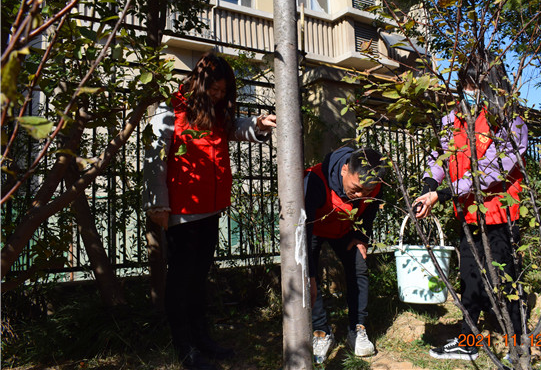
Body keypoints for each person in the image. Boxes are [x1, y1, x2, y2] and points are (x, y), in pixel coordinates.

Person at [143, 52, 276, 370]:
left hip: (211, 208)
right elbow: (153, 158)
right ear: (200, 85)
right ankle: (184, 346)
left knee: (199, 278)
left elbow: (236, 127)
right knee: (181, 280)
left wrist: (257, 124)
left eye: (222, 92)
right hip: (182, 211)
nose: (218, 96)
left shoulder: (216, 113)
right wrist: (158, 203)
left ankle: (202, 339)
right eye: (214, 90)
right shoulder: (169, 110)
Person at [413, 58, 528, 361]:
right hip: (469, 214)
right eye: (465, 84)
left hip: (500, 213)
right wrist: (428, 185)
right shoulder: (454, 119)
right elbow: (440, 155)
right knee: (470, 279)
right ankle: (468, 341)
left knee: (505, 280)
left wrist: (444, 192)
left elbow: (492, 171)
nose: (467, 91)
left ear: (492, 86)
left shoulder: (509, 121)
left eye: (474, 85)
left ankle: (520, 344)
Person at [304, 146, 387, 363]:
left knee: (359, 267)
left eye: (367, 191)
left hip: (345, 230)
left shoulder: (373, 186)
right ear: (344, 170)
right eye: (357, 188)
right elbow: (302, 230)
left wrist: (361, 237)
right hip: (313, 230)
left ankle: (357, 329)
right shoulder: (314, 181)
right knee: (308, 278)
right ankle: (321, 331)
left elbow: (370, 208)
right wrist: (310, 276)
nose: (361, 196)